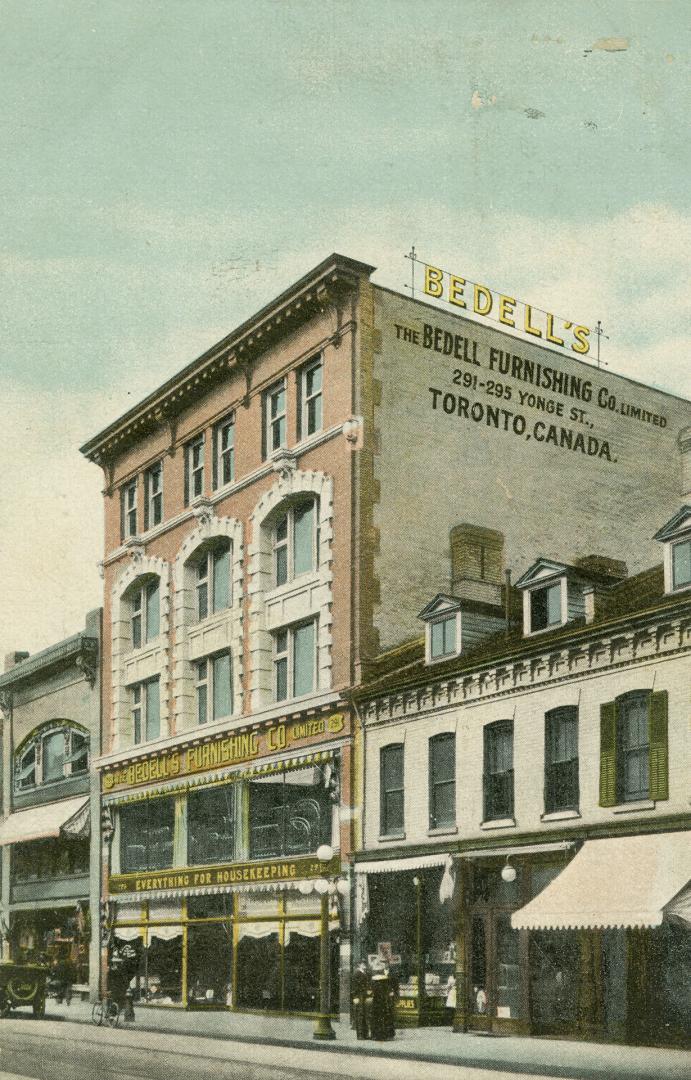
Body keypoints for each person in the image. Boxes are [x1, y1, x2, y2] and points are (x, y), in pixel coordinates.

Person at [369, 960, 394, 1041]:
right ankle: (385, 1034)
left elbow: (372, 991)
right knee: (385, 1017)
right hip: (384, 1001)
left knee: (376, 1018)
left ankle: (376, 1035)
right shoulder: (385, 980)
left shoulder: (373, 980)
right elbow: (388, 990)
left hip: (376, 1001)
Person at [351, 960, 370, 1039]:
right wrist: (355, 997)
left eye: (365, 963)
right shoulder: (357, 973)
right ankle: (360, 1035)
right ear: (359, 965)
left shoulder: (363, 972)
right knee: (360, 1014)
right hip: (359, 995)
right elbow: (354, 986)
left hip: (364, 995)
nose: (365, 965)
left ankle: (365, 1034)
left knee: (364, 1014)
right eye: (363, 964)